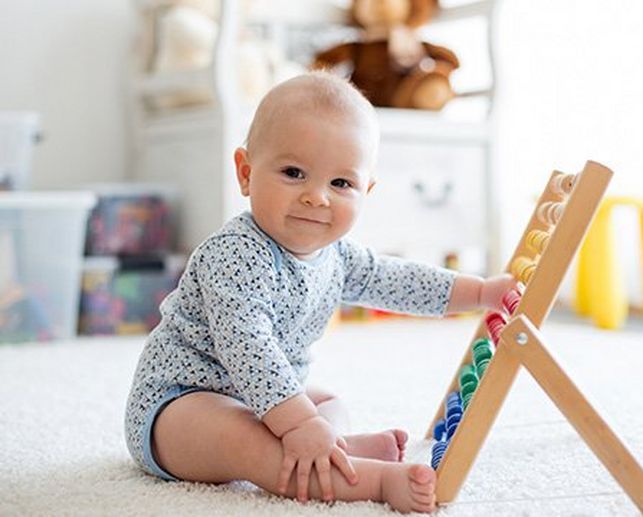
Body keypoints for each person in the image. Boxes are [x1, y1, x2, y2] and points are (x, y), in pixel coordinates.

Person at [124, 71, 517, 513]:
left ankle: (335, 446)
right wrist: (298, 424)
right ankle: (376, 481)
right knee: (251, 444)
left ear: (365, 190)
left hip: (262, 399)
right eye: (294, 173)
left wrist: (481, 291)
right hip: (177, 406)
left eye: (340, 184)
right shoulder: (233, 254)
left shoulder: (338, 256)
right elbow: (248, 349)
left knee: (326, 399)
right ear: (246, 173)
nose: (317, 197)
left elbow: (399, 282)